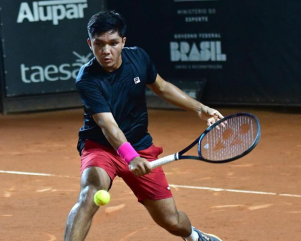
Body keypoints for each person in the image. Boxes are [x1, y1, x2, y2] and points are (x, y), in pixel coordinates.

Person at [64, 10, 224, 241]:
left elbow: (162, 87)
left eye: (113, 43)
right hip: (101, 148)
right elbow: (108, 126)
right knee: (90, 194)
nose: (106, 51)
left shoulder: (138, 58)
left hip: (140, 146)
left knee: (172, 221)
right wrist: (129, 157)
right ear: (90, 43)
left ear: (123, 42)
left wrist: (201, 108)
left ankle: (196, 237)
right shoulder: (87, 79)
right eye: (99, 44)